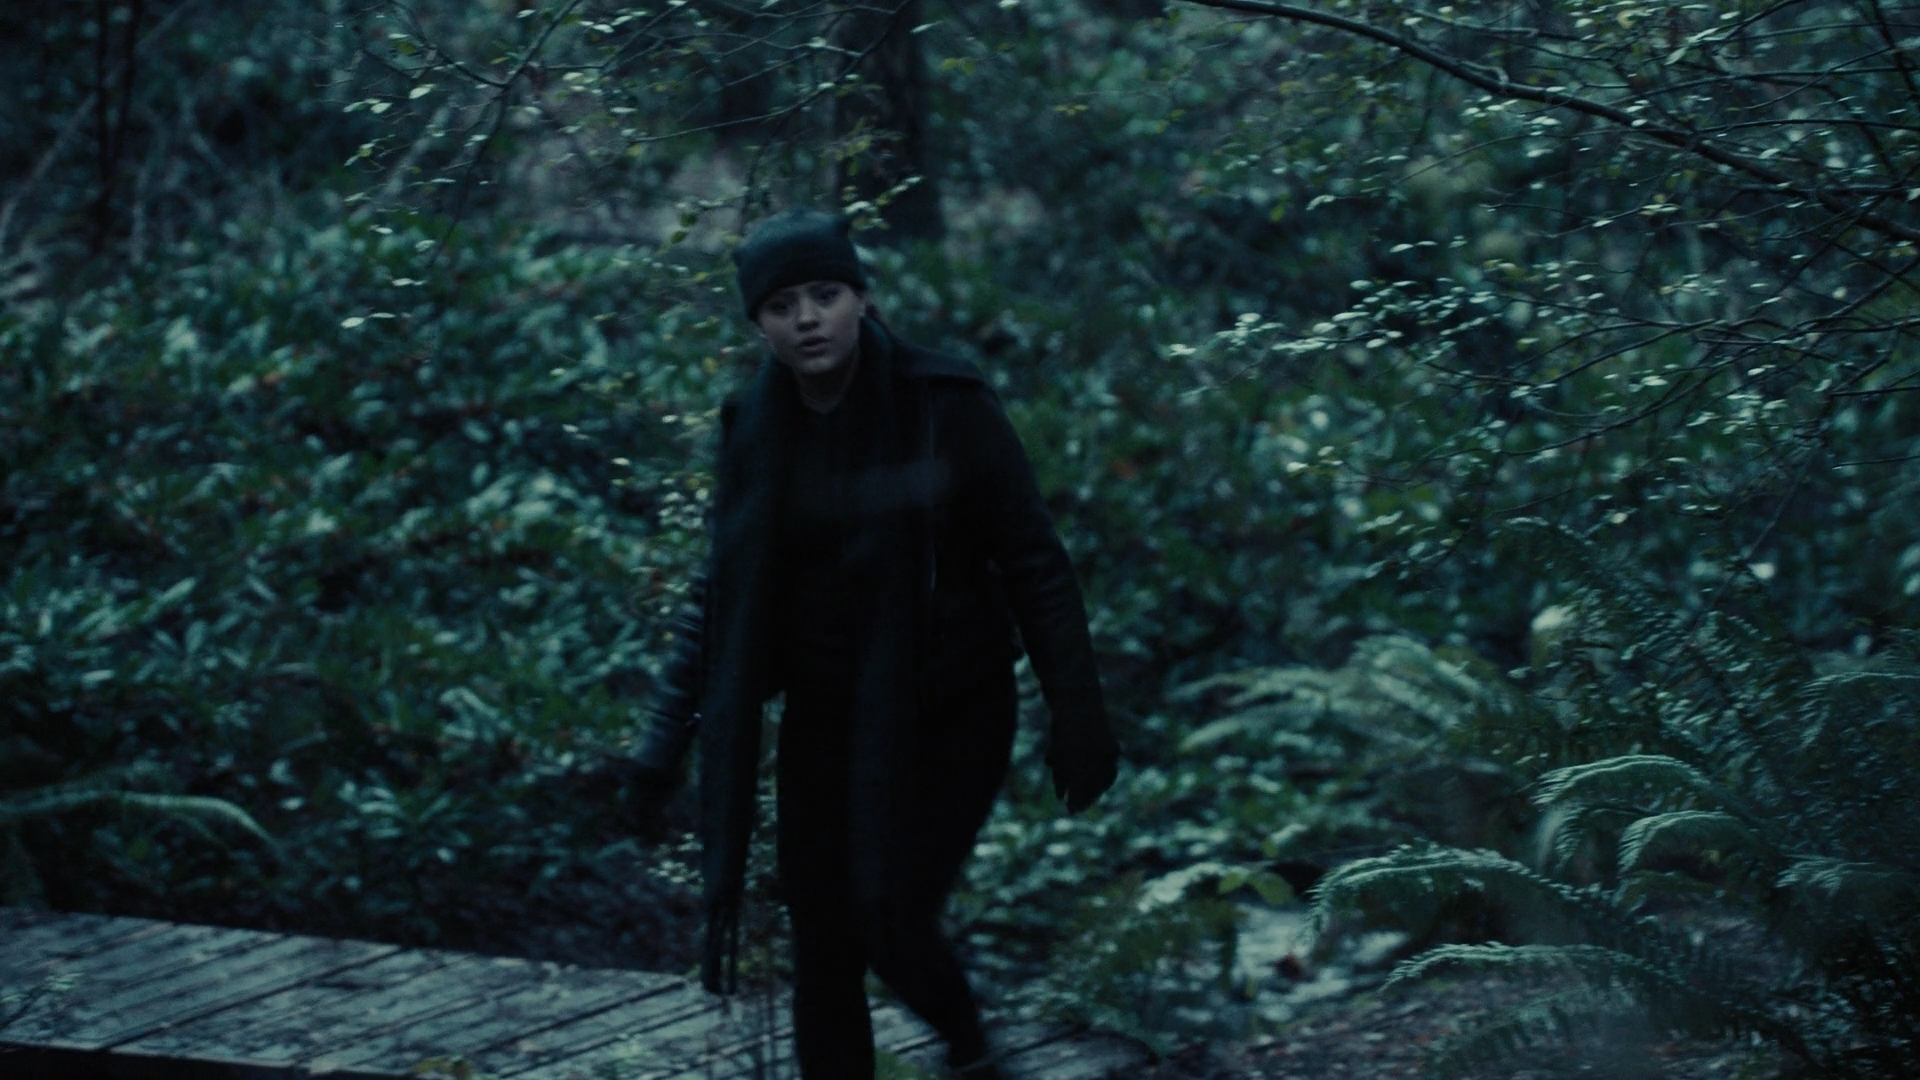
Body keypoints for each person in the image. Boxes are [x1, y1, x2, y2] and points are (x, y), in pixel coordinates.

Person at [632, 208, 1119, 1079]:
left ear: (861, 297)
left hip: (950, 710)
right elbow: (723, 597)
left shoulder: (945, 404)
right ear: (759, 324)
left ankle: (971, 1051)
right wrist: (660, 747)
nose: (807, 319)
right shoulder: (753, 427)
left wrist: (1077, 714)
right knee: (823, 940)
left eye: (825, 295)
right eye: (782, 305)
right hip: (824, 716)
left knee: (887, 911)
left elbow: (1034, 563)